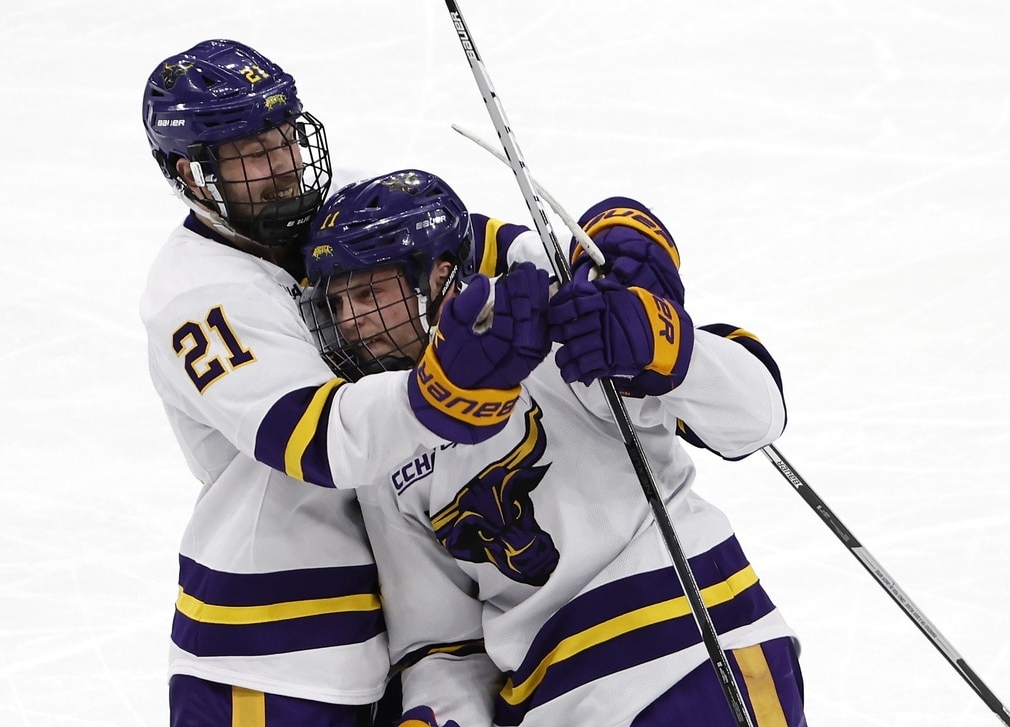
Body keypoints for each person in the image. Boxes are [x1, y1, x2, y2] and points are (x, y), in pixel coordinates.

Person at [300, 168, 807, 726]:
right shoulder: (378, 444)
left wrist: (663, 342)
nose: (352, 322)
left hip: (692, 660)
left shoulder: (563, 324)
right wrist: (439, 715)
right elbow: (442, 643)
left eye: (369, 294)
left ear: (438, 275)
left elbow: (756, 418)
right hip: (554, 708)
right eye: (338, 304)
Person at [140, 41, 531, 726]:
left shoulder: (329, 204)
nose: (283, 166)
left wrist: (595, 266)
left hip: (403, 633)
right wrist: (446, 386)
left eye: (284, 139)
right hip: (269, 653)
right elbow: (318, 439)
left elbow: (458, 246)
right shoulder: (197, 297)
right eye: (252, 154)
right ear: (191, 174)